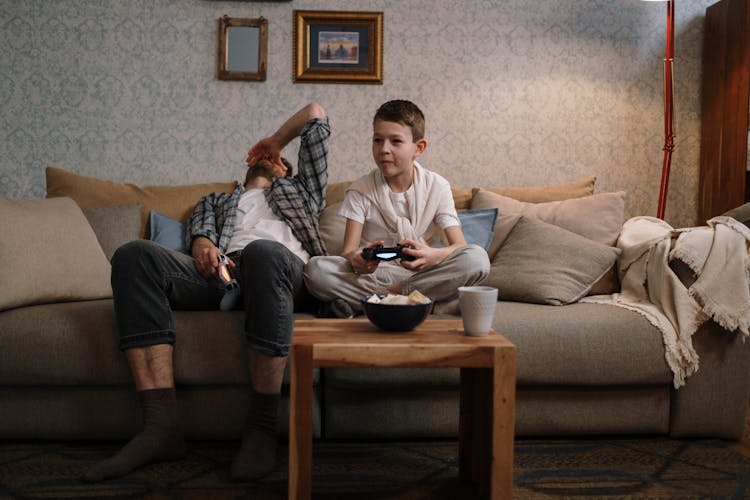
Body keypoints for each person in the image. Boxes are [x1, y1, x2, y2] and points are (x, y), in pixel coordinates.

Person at [84, 102, 330, 483]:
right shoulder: (217, 200)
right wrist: (203, 249)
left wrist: (275, 142)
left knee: (263, 252)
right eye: (263, 158)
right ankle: (160, 428)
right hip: (224, 273)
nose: (268, 162)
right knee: (134, 255)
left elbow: (315, 114)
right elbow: (200, 234)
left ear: (287, 168)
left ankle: (262, 428)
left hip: (285, 274)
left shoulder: (302, 193)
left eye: (277, 161)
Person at [304, 100, 489, 315]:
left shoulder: (438, 186)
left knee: (477, 258)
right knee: (315, 269)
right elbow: (348, 251)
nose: (384, 149)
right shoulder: (360, 190)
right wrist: (358, 260)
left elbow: (459, 245)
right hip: (375, 275)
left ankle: (382, 300)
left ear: (418, 148)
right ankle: (420, 302)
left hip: (422, 275)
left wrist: (433, 256)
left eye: (396, 141)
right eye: (378, 140)